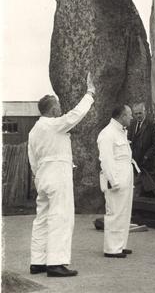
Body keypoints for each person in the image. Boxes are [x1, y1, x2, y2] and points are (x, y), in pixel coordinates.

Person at [28, 72, 95, 277]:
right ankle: (55, 263)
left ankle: (37, 262)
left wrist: (38, 177)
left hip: (42, 176)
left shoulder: (34, 130)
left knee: (42, 219)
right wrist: (90, 93)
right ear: (53, 108)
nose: (60, 107)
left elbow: (32, 160)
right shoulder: (54, 125)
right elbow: (75, 115)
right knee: (61, 217)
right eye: (57, 105)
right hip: (57, 176)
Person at [97, 105, 134, 258]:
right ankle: (112, 248)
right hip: (116, 178)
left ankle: (120, 245)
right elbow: (106, 159)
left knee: (124, 213)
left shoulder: (120, 132)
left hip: (125, 177)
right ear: (122, 116)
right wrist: (113, 180)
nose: (131, 117)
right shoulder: (107, 134)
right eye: (129, 115)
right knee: (115, 212)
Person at [127, 102, 155, 198]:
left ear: (144, 112)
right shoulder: (132, 125)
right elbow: (129, 140)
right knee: (137, 190)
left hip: (148, 165)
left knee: (151, 189)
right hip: (135, 164)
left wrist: (146, 156)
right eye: (136, 114)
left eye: (140, 113)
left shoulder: (151, 125)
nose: (138, 116)